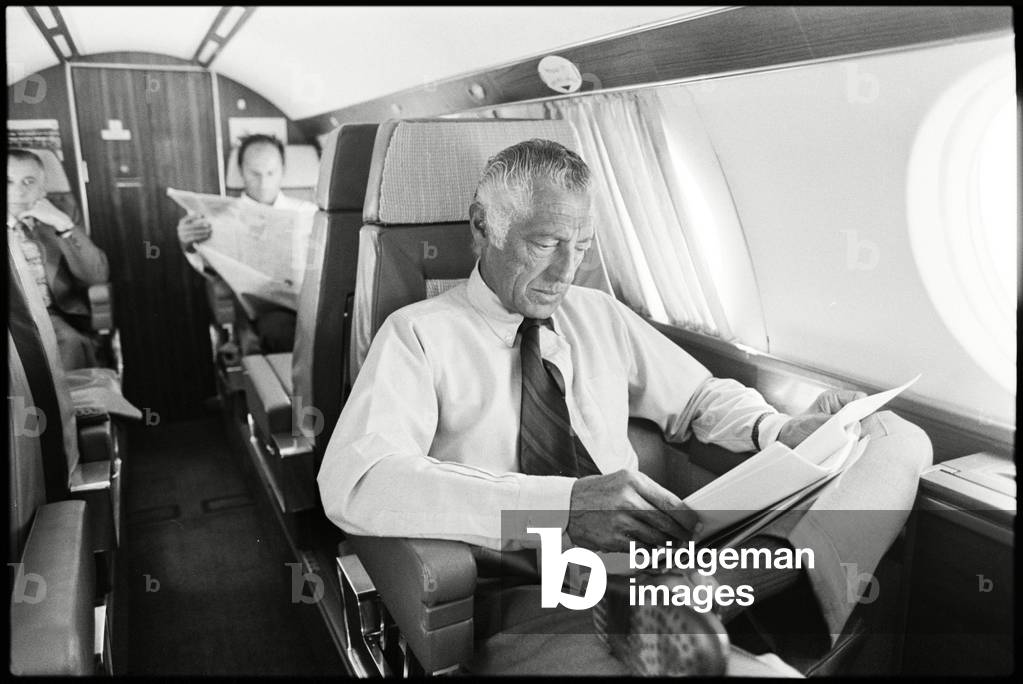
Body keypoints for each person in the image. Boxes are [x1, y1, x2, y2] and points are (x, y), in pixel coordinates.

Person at [317, 139, 932, 675]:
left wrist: (775, 426)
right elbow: (357, 480)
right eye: (545, 242)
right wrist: (561, 509)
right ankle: (736, 612)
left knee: (897, 438)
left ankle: (717, 599)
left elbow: (695, 396)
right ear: (481, 227)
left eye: (582, 245)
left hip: (656, 560)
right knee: (758, 673)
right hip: (533, 584)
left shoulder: (598, 314)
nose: (566, 269)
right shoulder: (420, 334)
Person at [176, 134, 317, 353]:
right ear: (241, 171)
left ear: (283, 171)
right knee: (280, 330)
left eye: (271, 173)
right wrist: (188, 244)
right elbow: (211, 270)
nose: (264, 183)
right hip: (265, 308)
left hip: (314, 301)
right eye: (255, 174)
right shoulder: (222, 217)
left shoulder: (308, 213)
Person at [8, 149, 110, 370]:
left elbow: (97, 275)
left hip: (49, 316)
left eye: (29, 181)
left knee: (69, 345)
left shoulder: (58, 216)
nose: (18, 192)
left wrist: (64, 226)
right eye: (8, 182)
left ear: (42, 189)